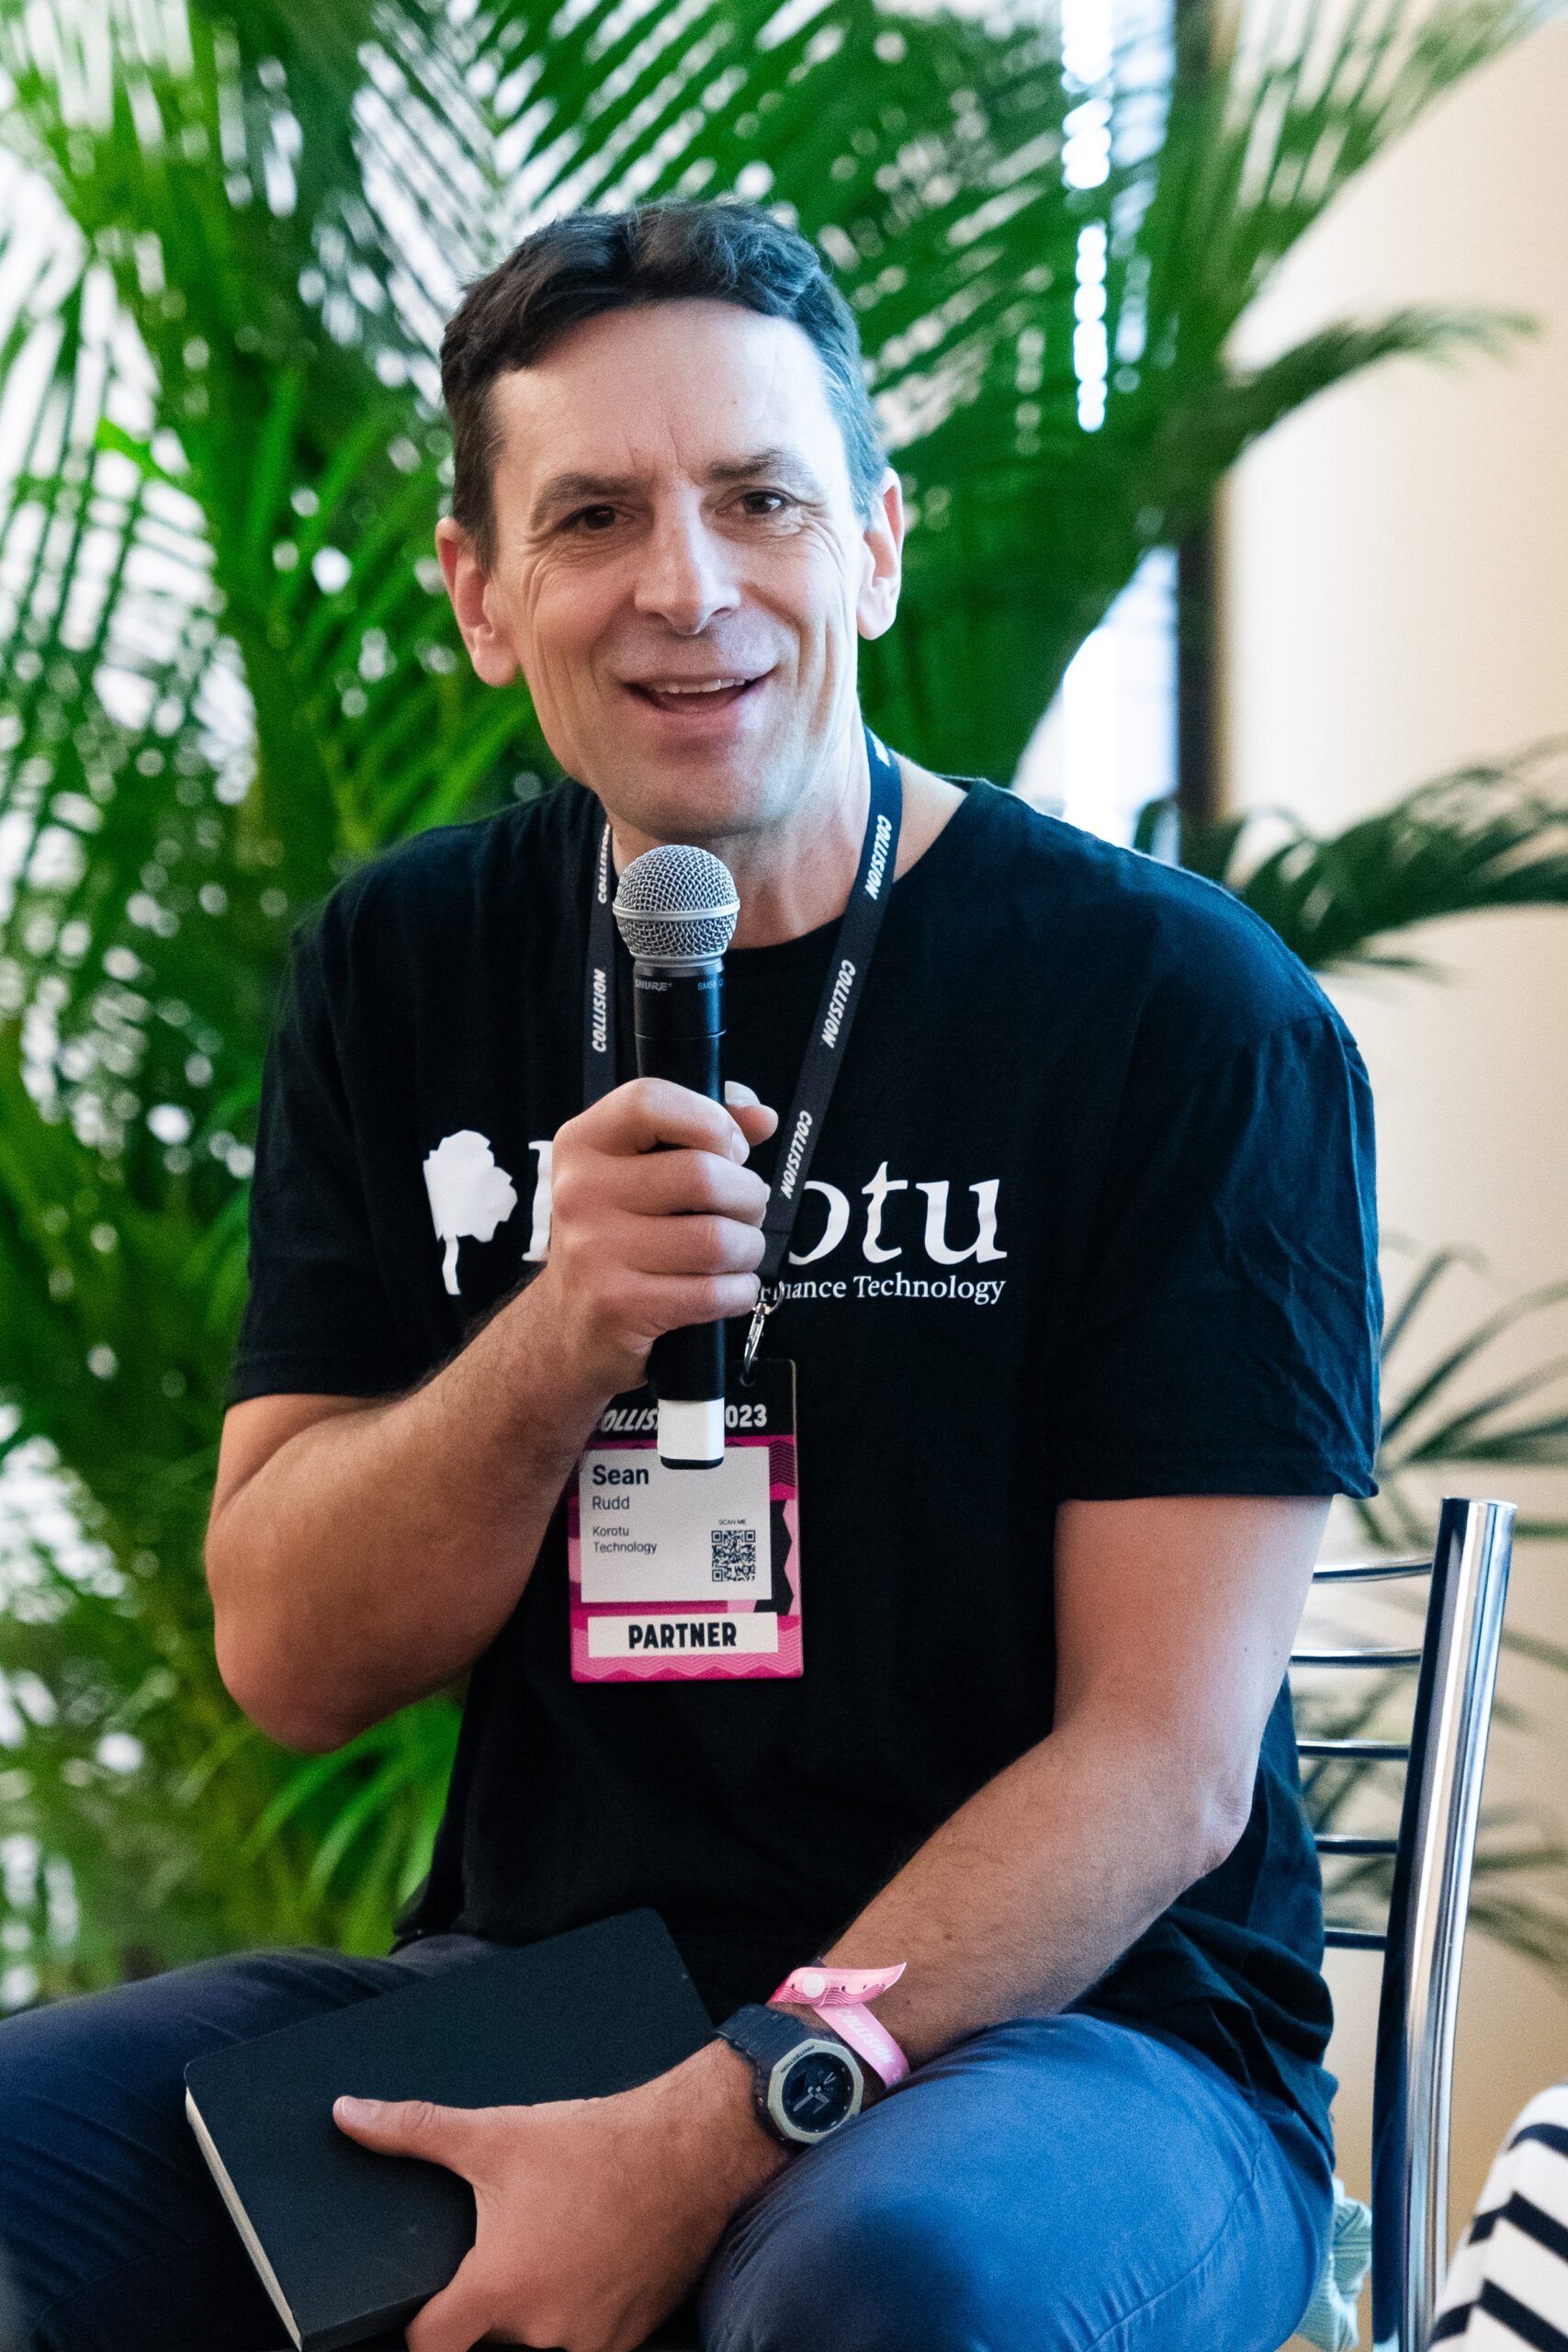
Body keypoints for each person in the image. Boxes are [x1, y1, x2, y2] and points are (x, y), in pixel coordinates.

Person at [0, 198, 1382, 2352]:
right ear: (480, 591)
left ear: (874, 549)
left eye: (758, 498)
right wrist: (557, 1333)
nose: (685, 584)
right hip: (551, 1984)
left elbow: (1159, 1763)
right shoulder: (404, 965)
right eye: (591, 515)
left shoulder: (1176, 1014)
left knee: (882, 2282)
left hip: (1079, 2045)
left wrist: (718, 2116)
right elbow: (292, 1649)